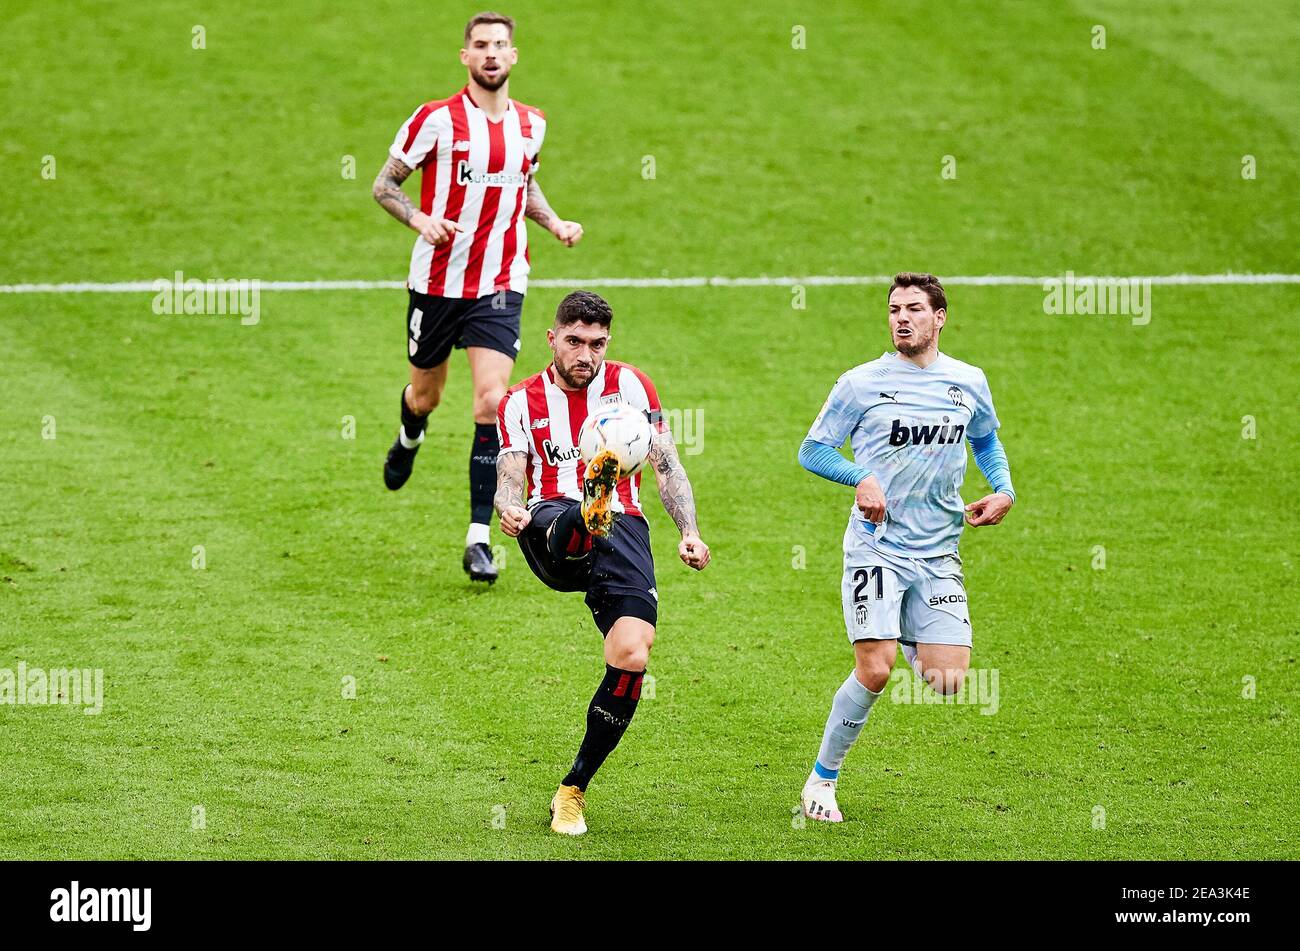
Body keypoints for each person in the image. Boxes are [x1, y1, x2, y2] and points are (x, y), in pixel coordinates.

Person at [371, 11, 583, 582]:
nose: (491, 53)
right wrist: (420, 219)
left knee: (492, 402)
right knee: (426, 394)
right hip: (438, 284)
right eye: (481, 45)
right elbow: (384, 185)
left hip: (501, 282)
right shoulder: (434, 121)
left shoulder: (532, 125)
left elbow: (525, 181)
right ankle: (410, 431)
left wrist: (554, 222)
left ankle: (479, 538)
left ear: (514, 57)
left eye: (500, 45)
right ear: (465, 56)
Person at [797, 272, 1016, 822]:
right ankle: (822, 781)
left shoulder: (968, 381)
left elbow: (985, 438)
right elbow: (812, 450)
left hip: (939, 548)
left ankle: (911, 634)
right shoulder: (861, 383)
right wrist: (859, 479)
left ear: (939, 317)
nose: (902, 318)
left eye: (914, 309)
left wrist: (1003, 489)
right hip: (877, 548)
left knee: (947, 681)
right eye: (894, 309)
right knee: (875, 669)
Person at [494, 290, 710, 835]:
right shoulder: (519, 402)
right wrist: (508, 508)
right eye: (574, 342)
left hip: (624, 526)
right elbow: (509, 480)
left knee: (633, 654)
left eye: (597, 344)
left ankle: (573, 789)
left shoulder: (633, 386)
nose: (585, 354)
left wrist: (689, 532)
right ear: (552, 339)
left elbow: (667, 465)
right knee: (572, 520)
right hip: (549, 523)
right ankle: (592, 502)